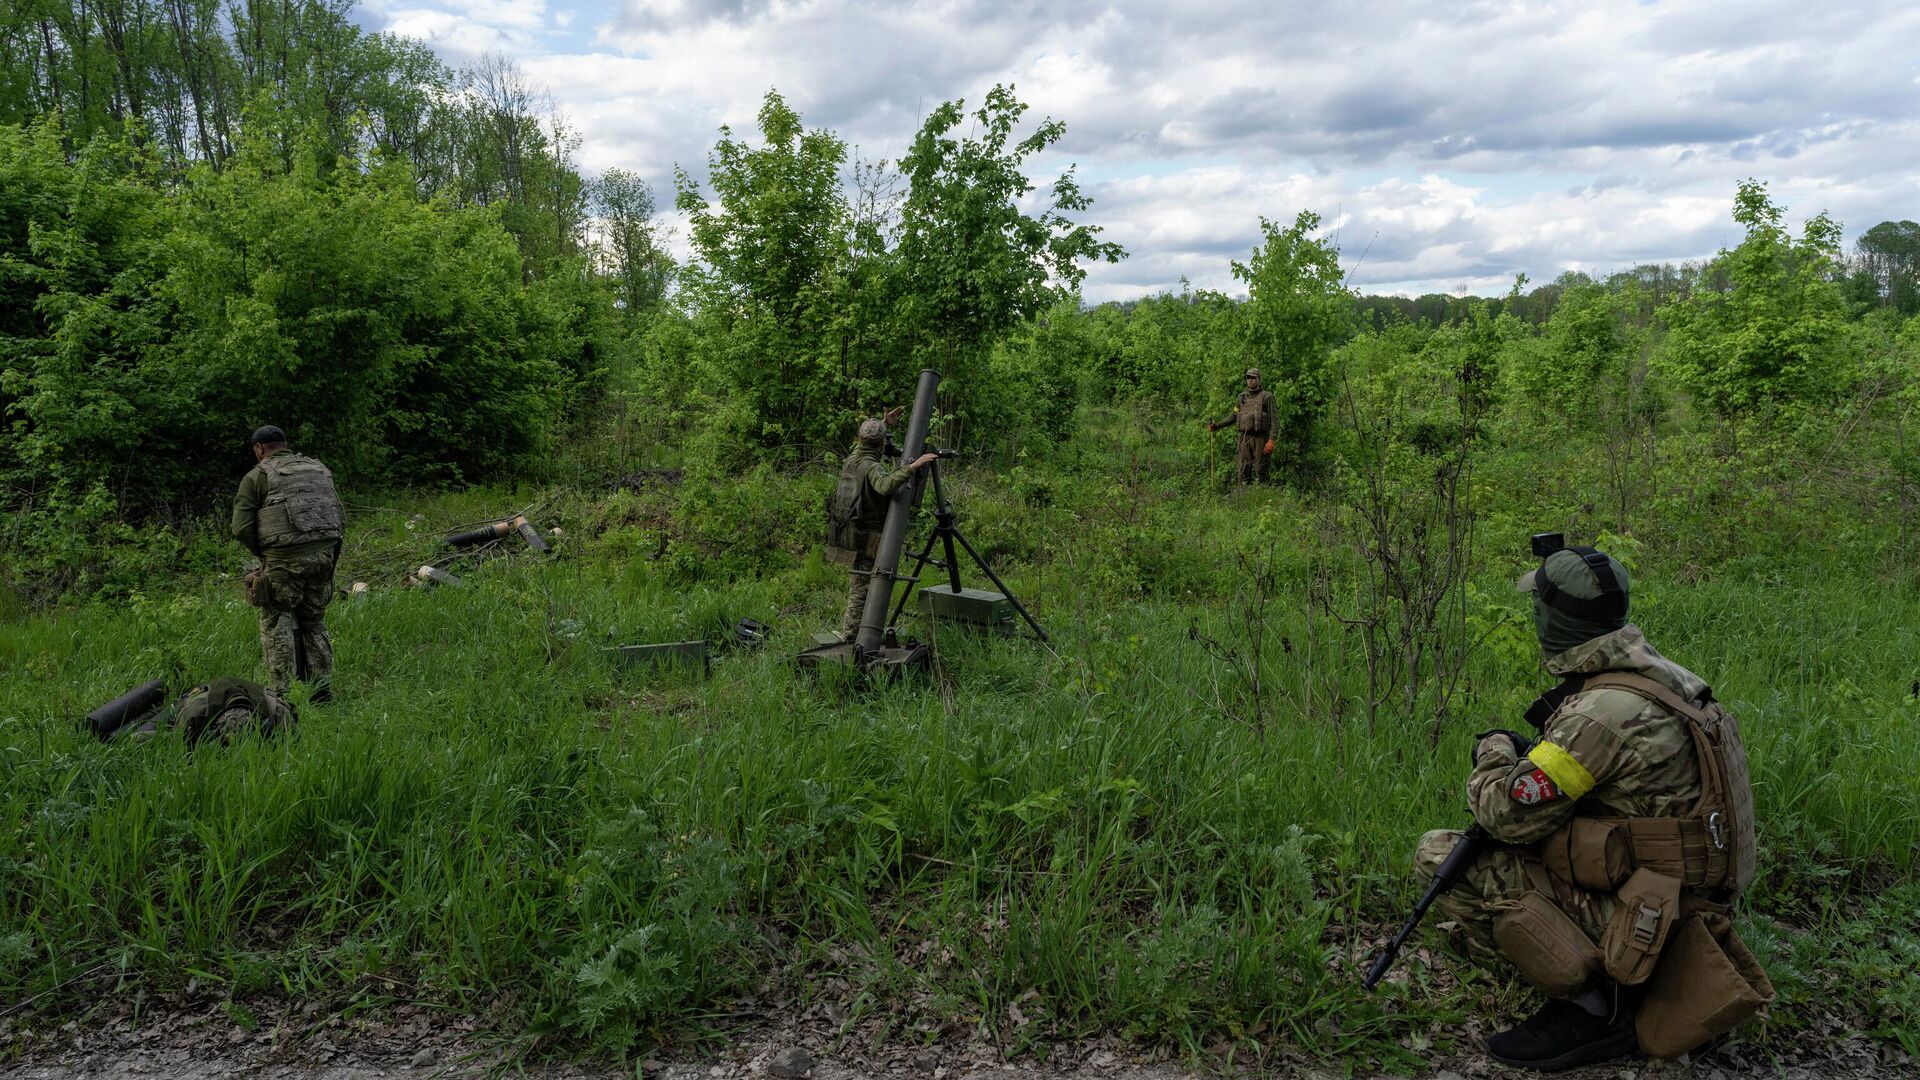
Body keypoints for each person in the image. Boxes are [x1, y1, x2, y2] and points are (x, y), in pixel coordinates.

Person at [1411, 543, 1763, 1070]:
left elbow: (1505, 814)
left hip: (1649, 921)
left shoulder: (1598, 715)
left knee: (1441, 855)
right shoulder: (1671, 680)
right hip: (1691, 901)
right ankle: (1633, 976)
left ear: (1551, 621)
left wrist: (1494, 752)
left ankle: (1595, 1006)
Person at [231, 425, 344, 702]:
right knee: (314, 620)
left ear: (259, 449)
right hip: (324, 556)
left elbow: (240, 527)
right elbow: (338, 515)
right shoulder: (319, 470)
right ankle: (321, 692)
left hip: (284, 561)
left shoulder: (257, 476)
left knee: (276, 619)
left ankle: (281, 697)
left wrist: (266, 554)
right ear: (285, 444)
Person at [825, 408, 936, 639]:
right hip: (867, 536)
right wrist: (912, 467)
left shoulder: (852, 459)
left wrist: (884, 423)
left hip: (850, 533)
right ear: (880, 444)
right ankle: (851, 638)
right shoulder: (873, 467)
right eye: (884, 440)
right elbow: (885, 485)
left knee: (861, 586)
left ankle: (859, 633)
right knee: (861, 591)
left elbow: (870, 441)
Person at [116, 678, 298, 743]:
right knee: (167, 716)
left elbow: (295, 737)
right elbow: (175, 737)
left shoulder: (277, 714)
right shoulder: (197, 713)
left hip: (250, 693)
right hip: (205, 694)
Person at [1207, 367, 1277, 484]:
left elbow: (1275, 420)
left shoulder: (1267, 397)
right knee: (1243, 469)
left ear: (1259, 379)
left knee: (1261, 469)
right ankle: (1244, 497)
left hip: (1261, 438)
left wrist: (1272, 440)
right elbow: (1234, 416)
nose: (1250, 380)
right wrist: (1217, 426)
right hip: (1244, 438)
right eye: (1248, 377)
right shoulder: (1241, 397)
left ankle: (1265, 495)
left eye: (1253, 378)